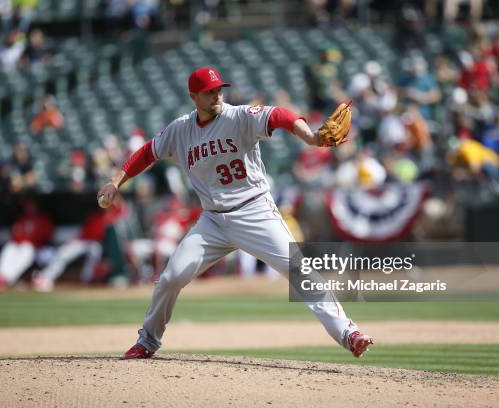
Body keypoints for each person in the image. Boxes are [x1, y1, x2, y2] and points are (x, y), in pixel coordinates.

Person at [98, 67, 373, 359]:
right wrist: (116, 181)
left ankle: (348, 332)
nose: (217, 95)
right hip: (213, 221)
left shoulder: (238, 116)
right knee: (171, 278)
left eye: (219, 89)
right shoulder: (180, 129)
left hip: (255, 211)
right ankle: (147, 341)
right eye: (209, 92)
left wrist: (310, 136)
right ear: (193, 96)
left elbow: (279, 115)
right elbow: (146, 153)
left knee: (299, 271)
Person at [0, 198, 53, 291]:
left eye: (31, 206)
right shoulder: (22, 219)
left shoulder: (43, 219)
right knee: (9, 247)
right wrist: (21, 238)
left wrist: (31, 240)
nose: (30, 208)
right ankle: (0, 275)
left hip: (37, 248)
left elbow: (46, 236)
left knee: (26, 250)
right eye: (28, 206)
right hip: (21, 244)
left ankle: (8, 278)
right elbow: (15, 234)